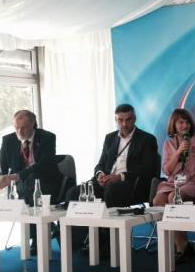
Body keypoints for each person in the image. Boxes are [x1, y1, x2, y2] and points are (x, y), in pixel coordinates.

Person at [66, 103, 158, 252]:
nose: (124, 124)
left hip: (132, 184)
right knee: (74, 192)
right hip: (107, 181)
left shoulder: (147, 139)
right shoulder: (110, 138)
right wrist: (100, 175)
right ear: (116, 120)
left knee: (112, 189)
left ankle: (109, 242)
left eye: (128, 119)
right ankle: (83, 239)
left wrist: (120, 177)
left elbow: (148, 170)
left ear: (134, 119)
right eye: (120, 120)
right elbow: (100, 164)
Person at [0, 109, 63, 253]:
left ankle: (37, 236)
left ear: (33, 125)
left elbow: (43, 165)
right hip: (22, 186)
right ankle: (45, 229)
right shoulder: (9, 140)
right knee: (25, 187)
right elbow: (0, 165)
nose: (20, 131)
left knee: (31, 182)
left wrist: (16, 177)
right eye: (16, 127)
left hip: (45, 182)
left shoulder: (47, 138)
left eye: (23, 127)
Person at [152, 108, 195, 262]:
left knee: (174, 198)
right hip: (174, 182)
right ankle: (178, 243)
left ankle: (181, 247)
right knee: (158, 201)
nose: (184, 126)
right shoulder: (169, 143)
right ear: (174, 125)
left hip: (194, 182)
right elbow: (167, 170)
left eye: (187, 122)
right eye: (180, 122)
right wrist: (178, 152)